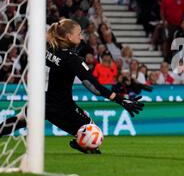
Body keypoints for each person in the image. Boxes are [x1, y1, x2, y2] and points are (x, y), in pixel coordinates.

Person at [0, 19, 144, 153]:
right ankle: (84, 144)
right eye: (79, 34)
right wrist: (121, 100)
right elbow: (94, 87)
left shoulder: (48, 49)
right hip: (61, 107)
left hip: (40, 101)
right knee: (92, 130)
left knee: (19, 120)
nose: (81, 37)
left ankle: (81, 141)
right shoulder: (72, 59)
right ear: (69, 36)